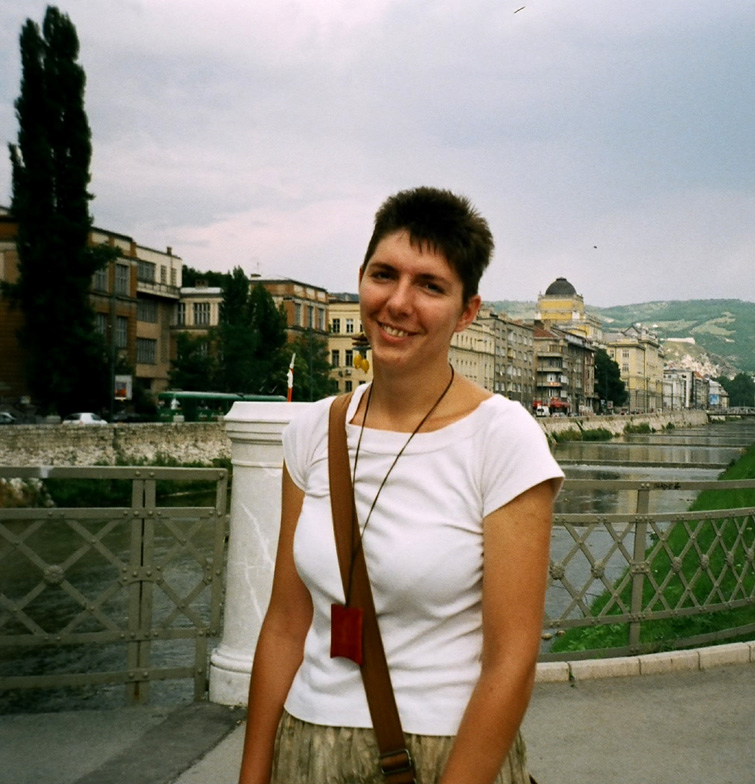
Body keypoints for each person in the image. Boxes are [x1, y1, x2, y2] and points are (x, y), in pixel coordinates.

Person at [239, 186, 564, 784]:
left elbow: (511, 661)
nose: (398, 303)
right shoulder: (312, 432)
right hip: (306, 747)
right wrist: (252, 775)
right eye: (384, 275)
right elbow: (285, 623)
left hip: (444, 755)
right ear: (361, 279)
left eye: (430, 286)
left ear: (467, 312)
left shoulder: (503, 439)